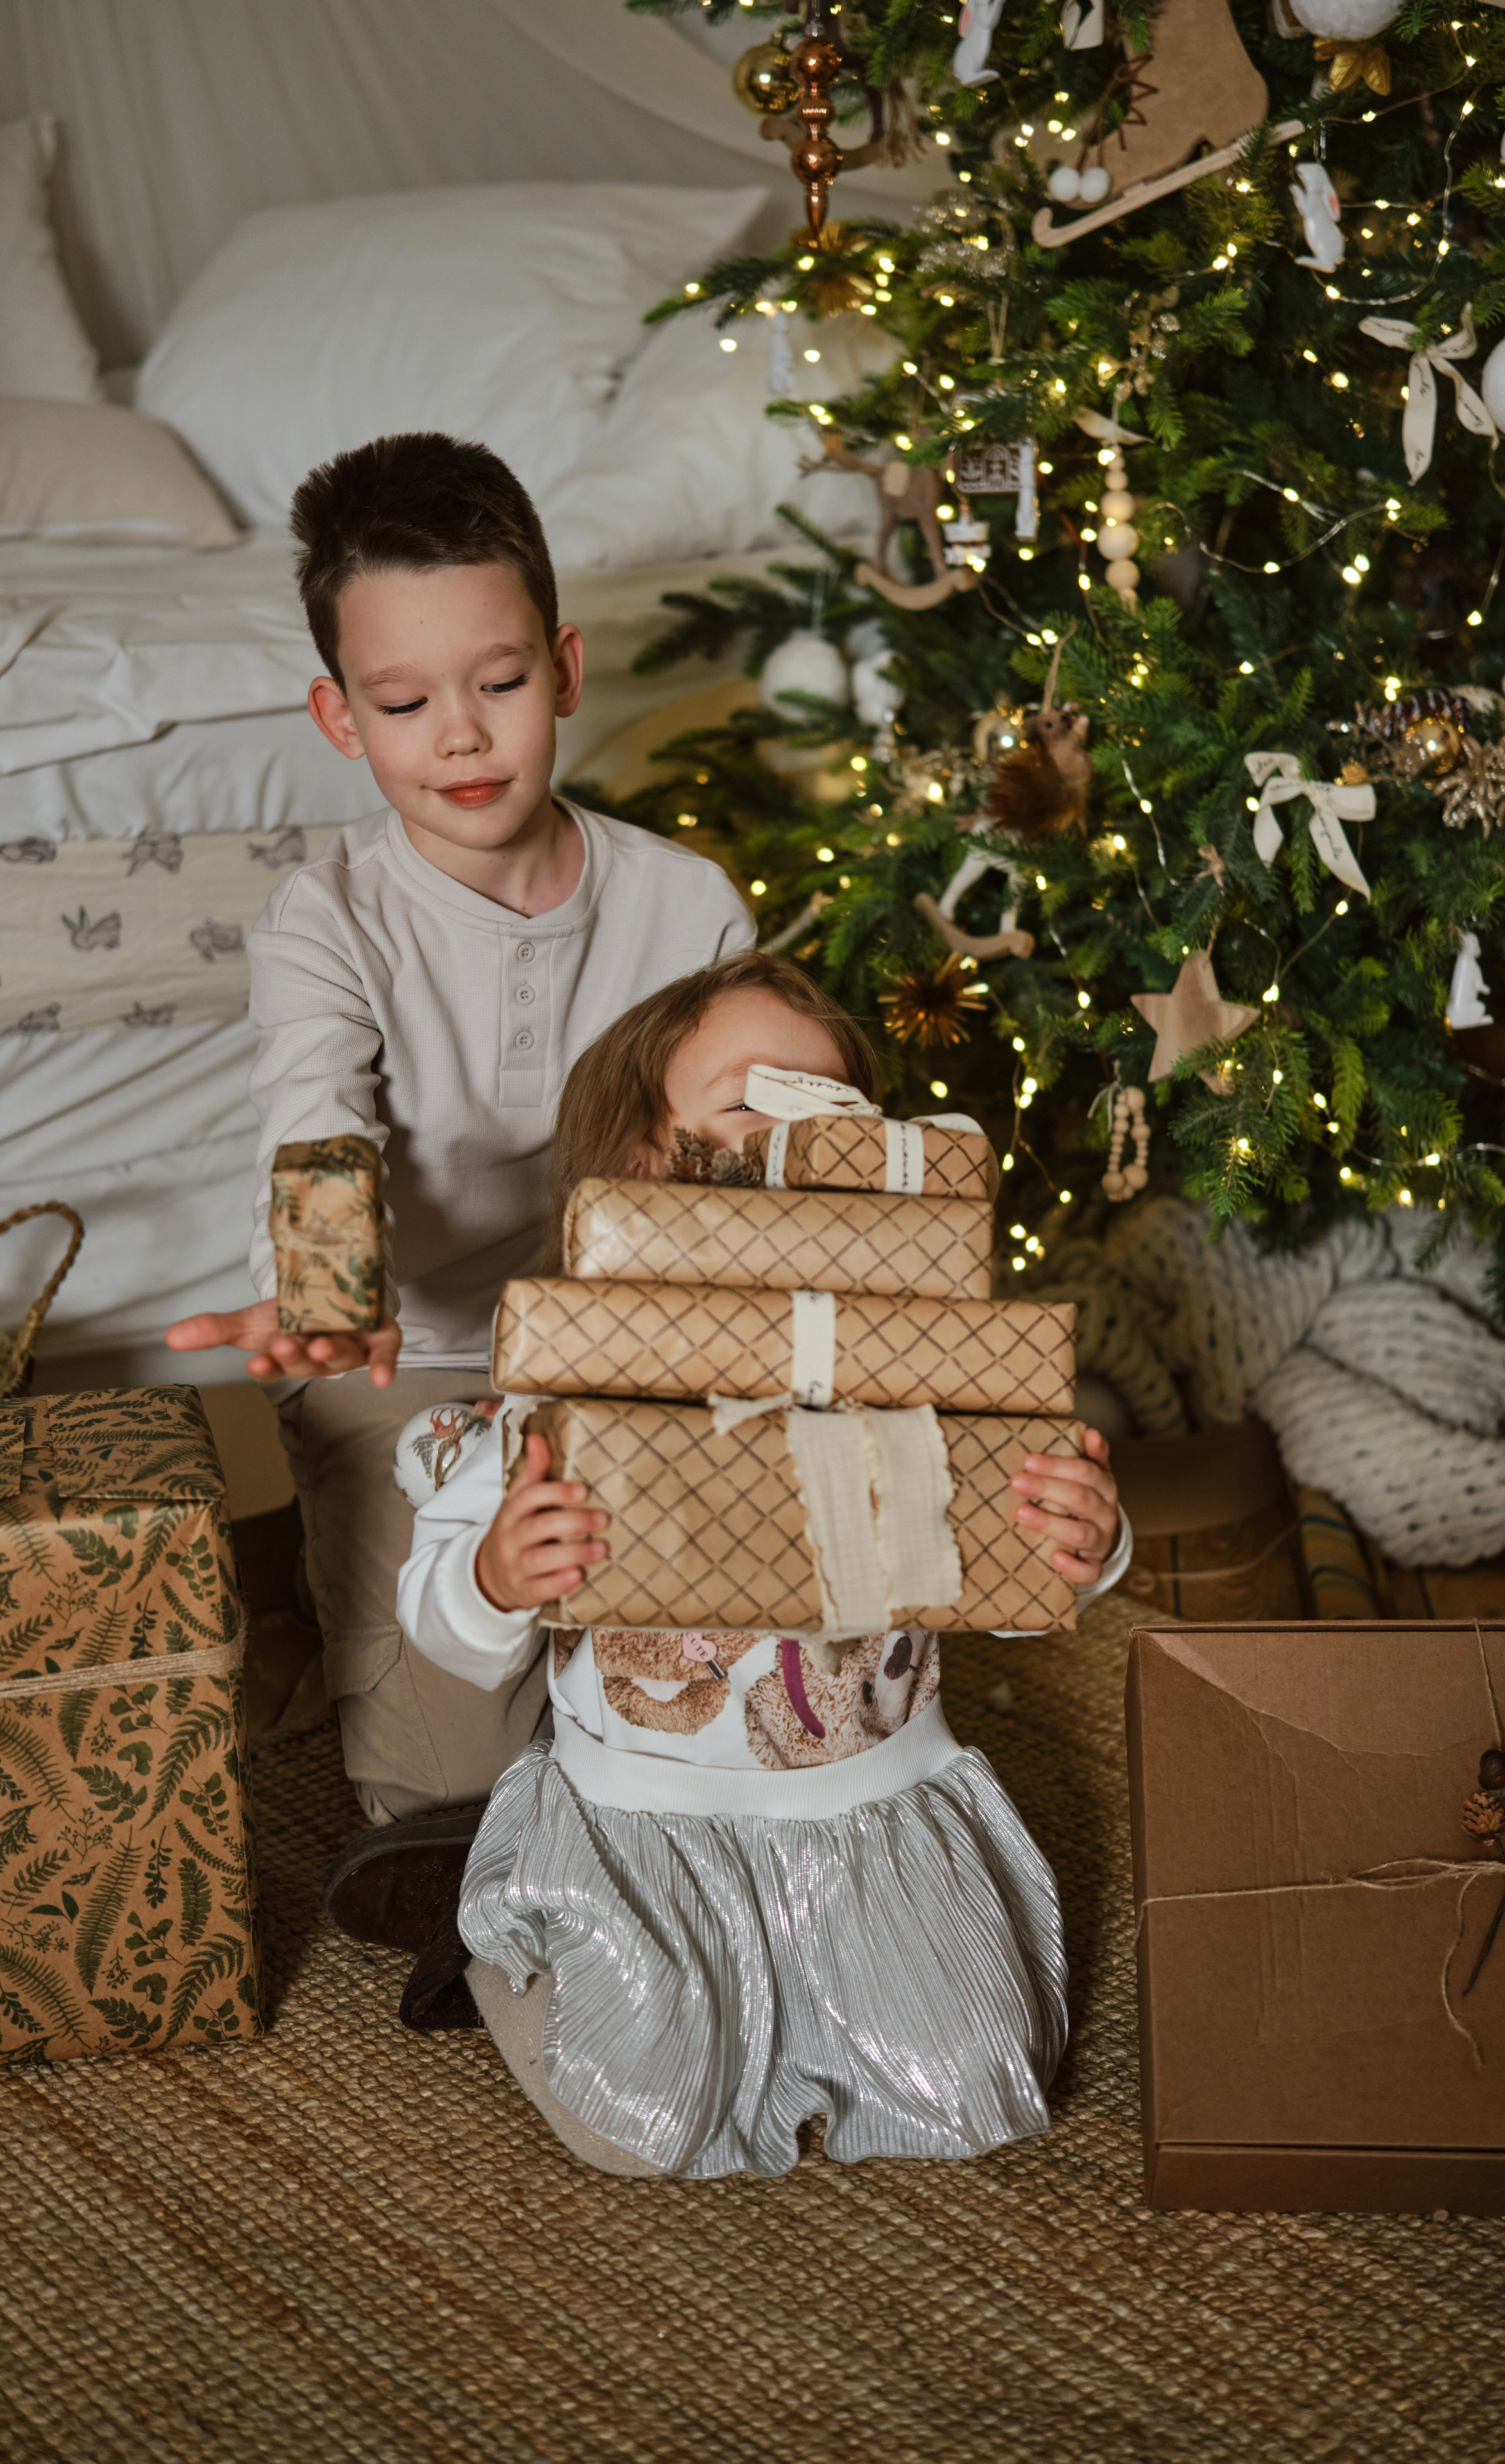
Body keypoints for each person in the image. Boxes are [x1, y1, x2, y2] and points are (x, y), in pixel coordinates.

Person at [165, 433, 753, 1974]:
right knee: (431, 1778)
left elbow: (731, 1176)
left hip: (625, 1351)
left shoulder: (686, 905)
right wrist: (325, 1293)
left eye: (495, 683)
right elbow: (317, 1127)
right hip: (405, 1354)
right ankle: (332, 1576)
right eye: (404, 704)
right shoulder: (327, 921)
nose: (461, 738)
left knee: (712, 1670)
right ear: (337, 719)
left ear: (562, 668)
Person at [399, 952, 1131, 2177]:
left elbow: (1002, 1575)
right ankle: (504, 1943)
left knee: (979, 2094)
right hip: (655, 1835)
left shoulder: (926, 1368)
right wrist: (493, 1579)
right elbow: (439, 1617)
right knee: (639, 2131)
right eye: (754, 1102)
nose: (807, 1137)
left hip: (874, 1813)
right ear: (640, 1162)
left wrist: (1086, 1545)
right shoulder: (567, 1386)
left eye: (837, 1109)